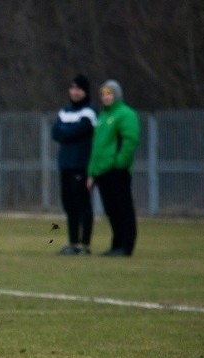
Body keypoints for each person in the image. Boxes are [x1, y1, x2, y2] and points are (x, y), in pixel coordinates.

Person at [87, 79, 141, 256]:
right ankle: (116, 244)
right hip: (102, 171)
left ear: (117, 95)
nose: (106, 97)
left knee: (123, 207)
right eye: (103, 94)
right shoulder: (102, 117)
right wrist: (92, 172)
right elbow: (97, 147)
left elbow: (130, 141)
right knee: (111, 209)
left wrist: (120, 163)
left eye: (109, 93)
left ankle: (126, 245)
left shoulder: (125, 114)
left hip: (117, 170)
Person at [51, 74, 97, 255]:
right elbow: (55, 132)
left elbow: (78, 131)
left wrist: (66, 131)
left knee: (82, 204)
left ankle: (84, 244)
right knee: (69, 204)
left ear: (85, 91)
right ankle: (72, 242)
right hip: (65, 164)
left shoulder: (90, 112)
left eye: (79, 89)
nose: (75, 92)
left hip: (81, 164)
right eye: (73, 88)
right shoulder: (65, 111)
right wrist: (68, 132)